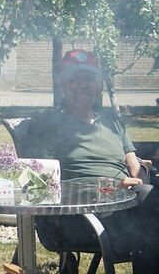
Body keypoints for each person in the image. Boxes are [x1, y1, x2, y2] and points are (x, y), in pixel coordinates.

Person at [27, 49, 158, 271]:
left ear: (98, 85)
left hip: (130, 206)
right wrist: (114, 187)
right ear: (61, 85)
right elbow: (46, 183)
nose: (82, 85)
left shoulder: (111, 121)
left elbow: (135, 168)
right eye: (73, 79)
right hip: (83, 215)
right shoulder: (46, 124)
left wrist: (139, 180)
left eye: (89, 79)